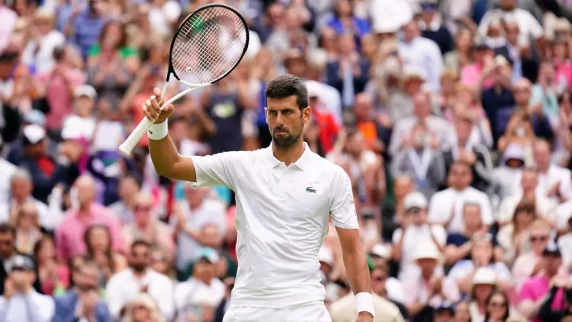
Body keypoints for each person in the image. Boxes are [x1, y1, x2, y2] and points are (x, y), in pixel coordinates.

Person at [142, 74, 374, 322]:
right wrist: (157, 126)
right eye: (272, 113)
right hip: (247, 310)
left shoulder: (333, 176)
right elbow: (171, 165)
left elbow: (352, 249)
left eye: (287, 112)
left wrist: (365, 310)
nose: (279, 121)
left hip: (305, 310)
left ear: (306, 115)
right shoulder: (242, 164)